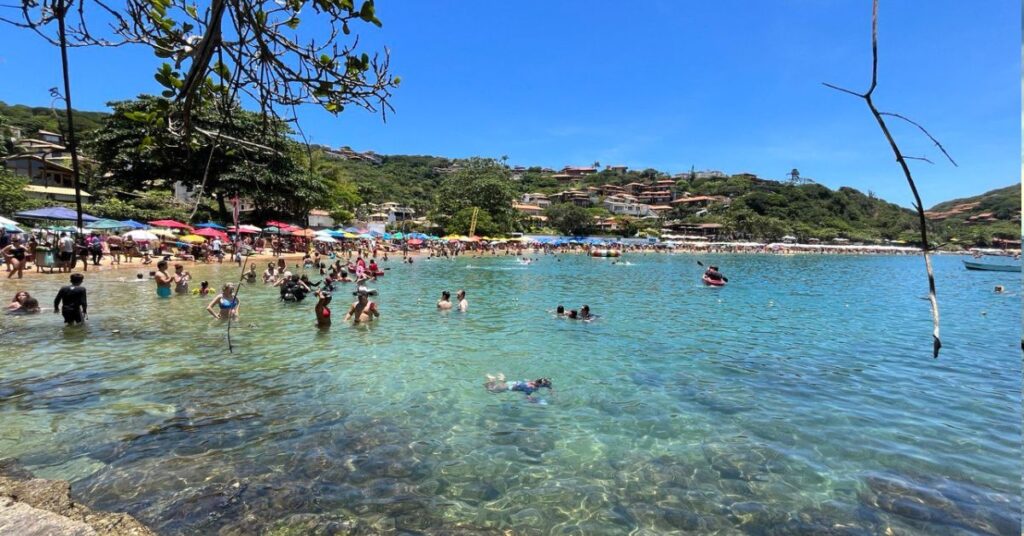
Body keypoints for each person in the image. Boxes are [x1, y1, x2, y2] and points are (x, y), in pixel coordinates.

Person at [484, 374, 553, 399]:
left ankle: (502, 379)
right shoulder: (530, 388)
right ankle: (491, 379)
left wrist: (551, 390)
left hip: (514, 382)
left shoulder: (533, 381)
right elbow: (528, 396)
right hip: (508, 387)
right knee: (491, 390)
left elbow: (548, 385)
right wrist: (533, 400)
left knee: (502, 385)